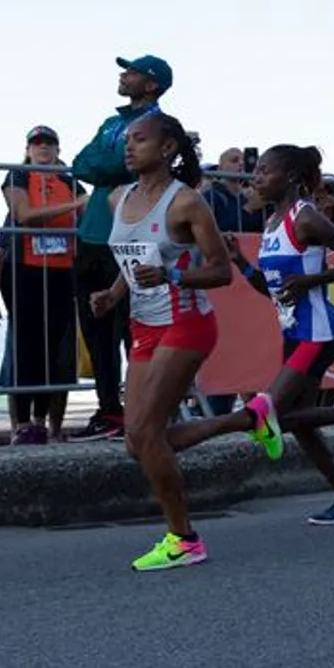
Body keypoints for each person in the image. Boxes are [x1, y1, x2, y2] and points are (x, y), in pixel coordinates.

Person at [87, 114, 255, 570]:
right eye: (128, 141)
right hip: (144, 326)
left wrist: (173, 274)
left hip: (187, 322)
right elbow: (133, 261)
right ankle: (248, 419)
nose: (129, 148)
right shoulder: (118, 197)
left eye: (139, 140)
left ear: (166, 149)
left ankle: (184, 538)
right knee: (135, 442)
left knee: (144, 433)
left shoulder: (187, 204)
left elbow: (221, 271)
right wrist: (112, 294)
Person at [225, 144, 334, 525]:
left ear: (291, 177)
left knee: (267, 410)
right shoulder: (271, 224)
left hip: (319, 332)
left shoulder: (305, 217)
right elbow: (273, 289)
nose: (255, 177)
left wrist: (316, 279)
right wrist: (241, 264)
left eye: (264, 171)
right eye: (255, 171)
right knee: (298, 422)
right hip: (294, 332)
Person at [67, 55, 170, 442]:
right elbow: (83, 164)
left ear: (151, 84)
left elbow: (119, 165)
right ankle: (109, 409)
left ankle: (143, 408)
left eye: (132, 72)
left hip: (131, 235)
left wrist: (109, 165)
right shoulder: (112, 122)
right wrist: (110, 165)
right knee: (96, 330)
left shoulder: (157, 125)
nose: (123, 76)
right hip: (93, 234)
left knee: (134, 326)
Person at [1, 127, 85, 444]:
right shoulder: (19, 175)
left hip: (62, 272)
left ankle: (43, 421)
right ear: (27, 149)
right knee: (25, 347)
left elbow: (89, 208)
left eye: (49, 143)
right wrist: (73, 206)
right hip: (25, 270)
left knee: (55, 350)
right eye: (37, 144)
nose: (44, 148)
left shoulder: (69, 180)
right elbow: (24, 215)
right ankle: (21, 423)